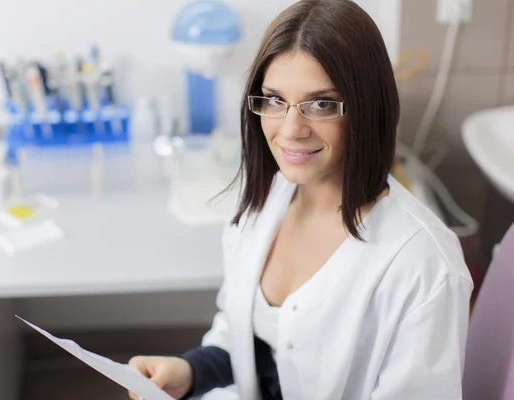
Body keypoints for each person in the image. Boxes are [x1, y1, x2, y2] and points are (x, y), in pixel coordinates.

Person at [129, 0, 473, 399]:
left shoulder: (423, 265)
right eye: (274, 99)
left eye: (322, 104)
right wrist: (191, 371)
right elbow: (247, 337)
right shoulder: (263, 202)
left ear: (366, 109)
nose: (291, 130)